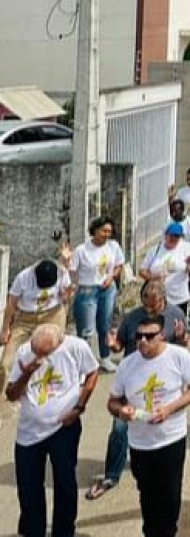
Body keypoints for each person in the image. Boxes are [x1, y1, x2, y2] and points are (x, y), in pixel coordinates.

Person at [85, 280, 190, 501]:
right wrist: (113, 345)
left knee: (160, 430)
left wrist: (182, 336)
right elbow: (120, 344)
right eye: (145, 303)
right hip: (132, 381)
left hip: (162, 385)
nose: (148, 309)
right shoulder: (132, 317)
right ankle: (111, 475)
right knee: (119, 428)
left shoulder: (175, 314)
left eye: (153, 305)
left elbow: (183, 346)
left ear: (163, 300)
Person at [107, 314, 190, 537]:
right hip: (140, 445)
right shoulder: (127, 365)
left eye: (149, 336)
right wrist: (121, 411)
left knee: (170, 497)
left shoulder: (178, 356)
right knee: (148, 498)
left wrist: (170, 409)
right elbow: (112, 402)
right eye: (139, 336)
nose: (143, 341)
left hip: (171, 439)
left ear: (161, 335)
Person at [6, 324, 97, 537]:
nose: (39, 357)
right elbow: (11, 395)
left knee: (65, 483)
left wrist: (79, 407)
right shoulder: (24, 352)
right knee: (28, 488)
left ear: (59, 343)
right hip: (29, 432)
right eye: (36, 351)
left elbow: (92, 373)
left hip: (64, 427)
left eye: (45, 353)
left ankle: (64, 531)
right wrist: (27, 373)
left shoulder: (76, 347)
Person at [1, 253, 73, 390]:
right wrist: (5, 330)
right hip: (25, 318)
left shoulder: (62, 273)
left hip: (52, 314)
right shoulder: (23, 277)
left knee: (54, 353)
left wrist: (65, 296)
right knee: (6, 362)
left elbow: (68, 290)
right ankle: (4, 393)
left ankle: (55, 387)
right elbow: (11, 304)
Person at [69, 215, 126, 372]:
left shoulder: (113, 246)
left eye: (109, 232)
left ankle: (105, 358)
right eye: (103, 231)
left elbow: (119, 265)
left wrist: (111, 277)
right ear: (94, 230)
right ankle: (84, 364)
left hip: (107, 289)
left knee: (105, 325)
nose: (106, 234)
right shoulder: (82, 250)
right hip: (87, 290)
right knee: (86, 330)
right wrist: (75, 287)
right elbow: (72, 271)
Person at [139, 223, 190, 315]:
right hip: (157, 299)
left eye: (177, 236)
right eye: (171, 235)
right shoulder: (155, 250)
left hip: (179, 297)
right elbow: (142, 271)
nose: (173, 238)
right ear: (166, 235)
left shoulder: (186, 248)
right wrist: (153, 277)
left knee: (177, 322)